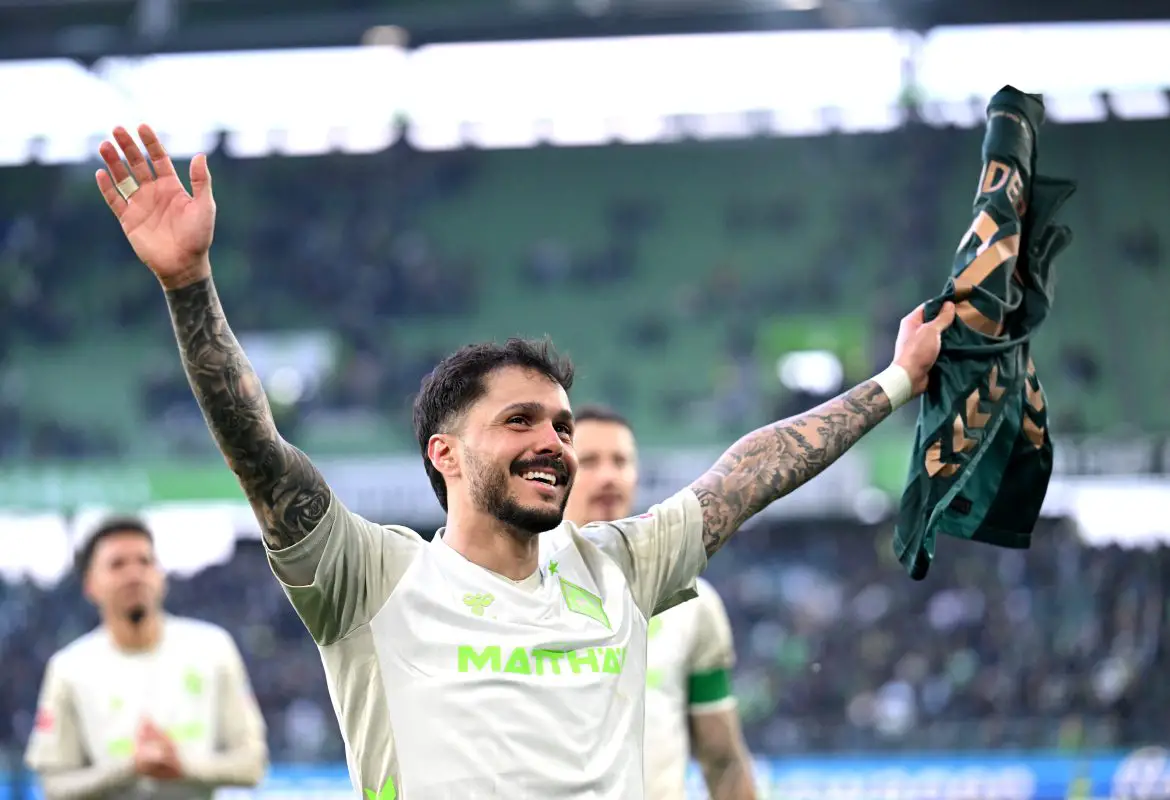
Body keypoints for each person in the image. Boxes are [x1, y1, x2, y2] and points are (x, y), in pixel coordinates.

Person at [93, 124, 955, 799]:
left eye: (562, 424)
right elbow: (260, 454)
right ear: (446, 453)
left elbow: (752, 470)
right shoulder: (370, 578)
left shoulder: (617, 565)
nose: (554, 441)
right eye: (519, 421)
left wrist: (896, 380)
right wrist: (188, 285)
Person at [563, 405, 756, 800]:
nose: (609, 475)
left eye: (621, 461)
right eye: (590, 461)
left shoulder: (692, 604)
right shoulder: (519, 591)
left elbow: (723, 761)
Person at [24, 516, 268, 799]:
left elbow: (253, 765)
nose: (134, 574)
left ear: (160, 576)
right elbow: (54, 787)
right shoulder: (68, 667)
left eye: (145, 561)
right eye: (117, 564)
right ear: (90, 584)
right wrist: (131, 768)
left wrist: (182, 767)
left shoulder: (213, 648)